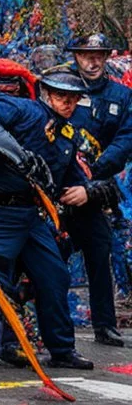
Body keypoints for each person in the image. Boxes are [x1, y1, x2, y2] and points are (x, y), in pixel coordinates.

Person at [0, 68, 98, 371]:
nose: (67, 103)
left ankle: (62, 349)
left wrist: (87, 190)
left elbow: (72, 176)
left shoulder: (66, 133)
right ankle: (6, 344)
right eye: (61, 96)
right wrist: (16, 153)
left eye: (73, 98)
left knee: (54, 276)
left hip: (32, 216)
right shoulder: (25, 110)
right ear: (46, 94)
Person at [62, 33, 131, 346]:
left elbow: (126, 138)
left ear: (107, 57)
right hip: (59, 187)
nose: (92, 61)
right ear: (76, 56)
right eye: (86, 55)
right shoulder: (61, 86)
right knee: (48, 256)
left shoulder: (121, 95)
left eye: (99, 55)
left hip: (97, 186)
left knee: (100, 254)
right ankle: (45, 326)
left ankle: (104, 324)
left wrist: (97, 171)